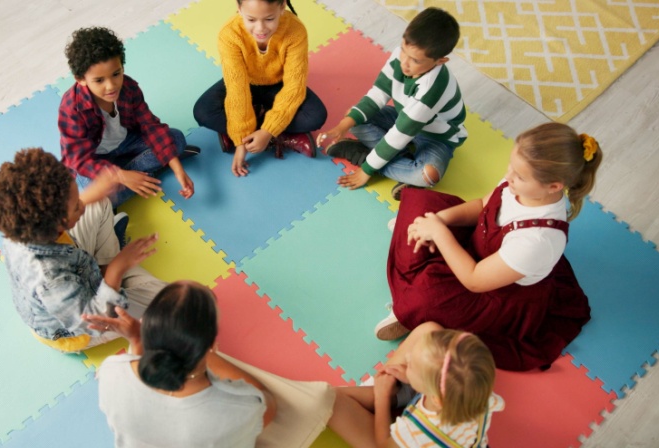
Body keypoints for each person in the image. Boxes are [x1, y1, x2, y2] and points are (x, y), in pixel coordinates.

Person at [379, 122, 602, 372]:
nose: (508, 176)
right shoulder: (517, 183)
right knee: (423, 206)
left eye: (518, 175)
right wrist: (441, 220)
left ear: (553, 187)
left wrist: (439, 233)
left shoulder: (537, 239)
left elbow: (474, 280)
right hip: (480, 244)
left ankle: (412, 315)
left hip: (495, 292)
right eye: (511, 166)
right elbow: (482, 206)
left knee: (425, 298)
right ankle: (415, 299)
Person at [86, 281, 335, 448]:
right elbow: (267, 406)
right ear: (213, 345)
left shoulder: (111, 371)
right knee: (318, 400)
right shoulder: (236, 405)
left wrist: (137, 341)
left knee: (325, 396)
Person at [0, 148, 167, 353]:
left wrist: (96, 193)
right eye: (76, 208)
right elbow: (95, 321)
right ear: (58, 223)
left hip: (76, 266)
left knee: (99, 203)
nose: (82, 205)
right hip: (81, 329)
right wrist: (117, 268)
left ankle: (107, 273)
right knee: (171, 302)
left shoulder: (20, 225)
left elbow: (79, 206)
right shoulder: (50, 279)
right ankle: (113, 276)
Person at [317, 7, 467, 199]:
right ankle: (395, 163)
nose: (404, 62)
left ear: (440, 61)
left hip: (436, 137)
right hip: (402, 117)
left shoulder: (432, 89)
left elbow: (400, 134)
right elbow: (378, 94)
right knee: (353, 116)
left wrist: (367, 169)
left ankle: (365, 155)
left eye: (415, 60)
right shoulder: (401, 56)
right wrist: (341, 127)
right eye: (404, 50)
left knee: (428, 176)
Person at [59, 27, 199, 206]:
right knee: (98, 200)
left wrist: (178, 169)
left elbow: (150, 126)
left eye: (116, 74)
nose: (111, 86)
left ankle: (139, 175)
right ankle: (145, 174)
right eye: (99, 80)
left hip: (127, 142)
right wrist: (121, 176)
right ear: (81, 79)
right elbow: (79, 160)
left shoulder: (129, 87)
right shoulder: (71, 108)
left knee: (177, 139)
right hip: (96, 158)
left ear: (122, 67)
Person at [193, 0, 328, 177]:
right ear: (239, 8)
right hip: (245, 82)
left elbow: (294, 86)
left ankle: (261, 133)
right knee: (203, 112)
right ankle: (258, 134)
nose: (260, 29)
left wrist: (267, 131)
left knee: (316, 116)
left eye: (270, 19)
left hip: (279, 84)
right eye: (251, 20)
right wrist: (241, 142)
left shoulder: (296, 30)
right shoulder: (229, 34)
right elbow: (236, 88)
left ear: (282, 8)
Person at [328, 322, 504, 448]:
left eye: (412, 365)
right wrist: (412, 375)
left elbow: (384, 444)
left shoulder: (417, 430)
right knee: (429, 329)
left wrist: (382, 397)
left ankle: (384, 391)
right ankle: (398, 390)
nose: (408, 357)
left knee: (329, 400)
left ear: (435, 397)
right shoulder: (480, 394)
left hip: (402, 442)